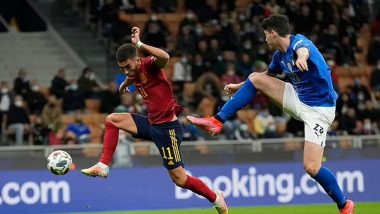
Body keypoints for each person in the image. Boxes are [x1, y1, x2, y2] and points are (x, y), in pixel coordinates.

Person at [187, 14, 355, 214]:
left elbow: (303, 51)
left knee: (312, 167)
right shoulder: (278, 57)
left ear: (274, 34)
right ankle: (217, 120)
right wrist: (240, 86)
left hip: (320, 110)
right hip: (298, 98)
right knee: (256, 78)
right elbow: (265, 76)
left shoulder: (300, 42)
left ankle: (344, 205)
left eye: (266, 34)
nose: (265, 39)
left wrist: (301, 58)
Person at [81, 27, 228, 214]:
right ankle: (103, 165)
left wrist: (140, 44)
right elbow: (134, 77)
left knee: (180, 180)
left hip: (168, 130)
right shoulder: (134, 74)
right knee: (112, 120)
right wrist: (126, 83)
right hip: (152, 124)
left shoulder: (149, 65)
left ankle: (215, 198)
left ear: (137, 59)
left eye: (128, 67)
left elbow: (165, 57)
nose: (126, 71)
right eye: (122, 69)